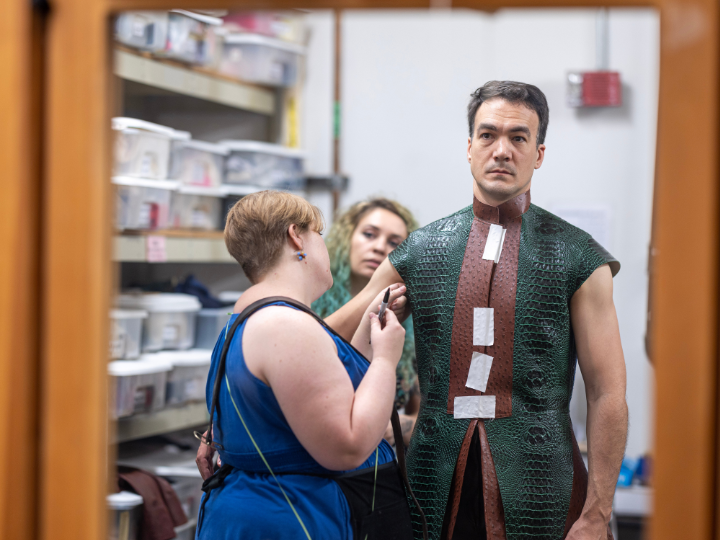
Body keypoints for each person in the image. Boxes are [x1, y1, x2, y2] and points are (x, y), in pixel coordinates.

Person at [325, 81, 628, 540]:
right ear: (469, 148)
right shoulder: (420, 250)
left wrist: (597, 514)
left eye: (518, 138)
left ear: (539, 154)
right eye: (488, 135)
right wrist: (224, 427)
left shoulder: (579, 257)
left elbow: (608, 394)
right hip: (431, 489)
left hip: (544, 493)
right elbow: (320, 342)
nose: (501, 150)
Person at [194, 191, 414, 539]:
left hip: (257, 512)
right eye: (319, 236)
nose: (325, 249)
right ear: (297, 236)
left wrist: (370, 329)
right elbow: (348, 446)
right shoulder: (286, 325)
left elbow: (329, 393)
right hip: (289, 517)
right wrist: (386, 360)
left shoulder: (246, 317)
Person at [312, 198, 420, 446]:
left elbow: (425, 418)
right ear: (345, 239)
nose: (380, 247)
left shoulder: (409, 328)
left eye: (394, 243)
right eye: (369, 234)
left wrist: (399, 426)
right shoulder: (306, 307)